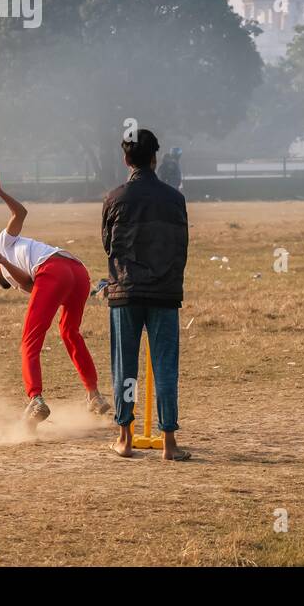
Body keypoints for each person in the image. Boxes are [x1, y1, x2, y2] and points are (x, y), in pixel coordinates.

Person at [0, 164, 110, 424]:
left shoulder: (2, 244)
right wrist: (4, 264)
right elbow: (33, 285)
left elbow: (21, 212)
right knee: (69, 332)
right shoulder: (7, 266)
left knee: (30, 340)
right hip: (77, 271)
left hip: (54, 270)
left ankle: (35, 400)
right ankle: (94, 395)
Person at [102, 129, 190, 460]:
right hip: (165, 293)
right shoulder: (175, 199)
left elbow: (108, 245)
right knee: (165, 367)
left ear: (126, 160)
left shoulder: (115, 197)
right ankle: (169, 443)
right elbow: (182, 246)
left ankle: (124, 438)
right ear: (155, 158)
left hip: (125, 293)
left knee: (125, 369)